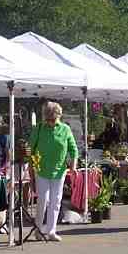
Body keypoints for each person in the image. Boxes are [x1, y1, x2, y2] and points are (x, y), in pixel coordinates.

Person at [29, 102, 78, 242]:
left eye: (53, 119)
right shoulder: (39, 129)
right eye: (48, 119)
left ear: (59, 116)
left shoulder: (65, 129)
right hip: (41, 170)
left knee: (56, 201)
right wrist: (31, 168)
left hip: (59, 171)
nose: (50, 122)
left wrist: (73, 166)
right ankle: (38, 230)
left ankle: (51, 231)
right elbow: (30, 149)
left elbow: (73, 150)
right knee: (43, 201)